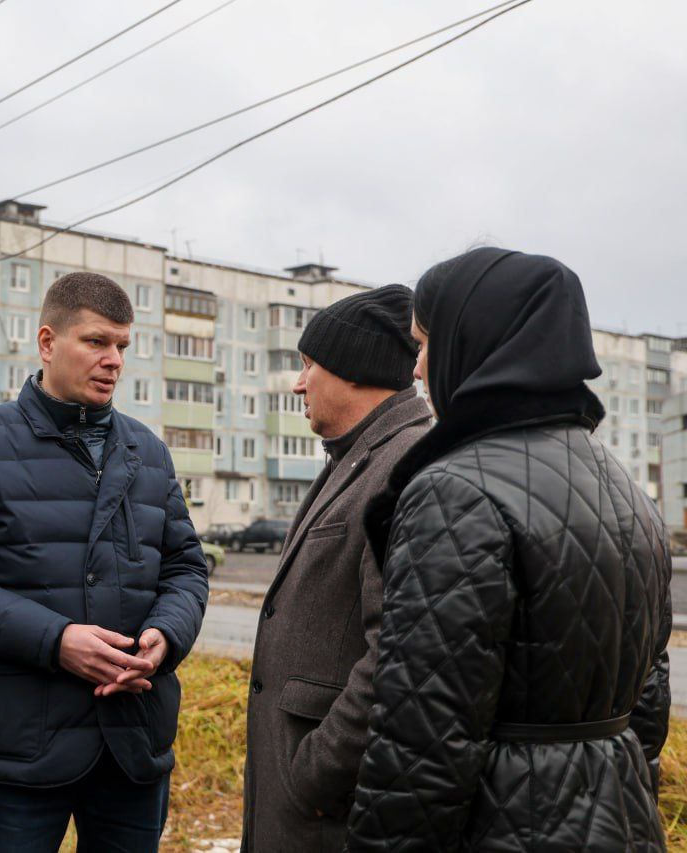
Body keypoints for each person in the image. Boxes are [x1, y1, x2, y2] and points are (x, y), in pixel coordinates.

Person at [346, 248, 671, 850]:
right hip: (622, 820)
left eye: (423, 344)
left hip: (504, 825)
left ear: (474, 342)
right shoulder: (623, 484)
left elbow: (421, 741)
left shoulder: (454, 490)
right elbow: (649, 703)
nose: (416, 369)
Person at [0, 272, 209, 852]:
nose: (114, 360)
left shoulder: (147, 451)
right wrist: (58, 640)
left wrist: (166, 638)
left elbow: (186, 569)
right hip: (23, 747)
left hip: (132, 741)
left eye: (123, 345)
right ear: (47, 343)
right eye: (96, 342)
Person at [241, 285, 430, 852]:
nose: (299, 384)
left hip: (328, 806)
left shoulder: (405, 466)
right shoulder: (358, 455)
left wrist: (315, 773)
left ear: (352, 369)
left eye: (308, 366)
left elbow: (398, 653)